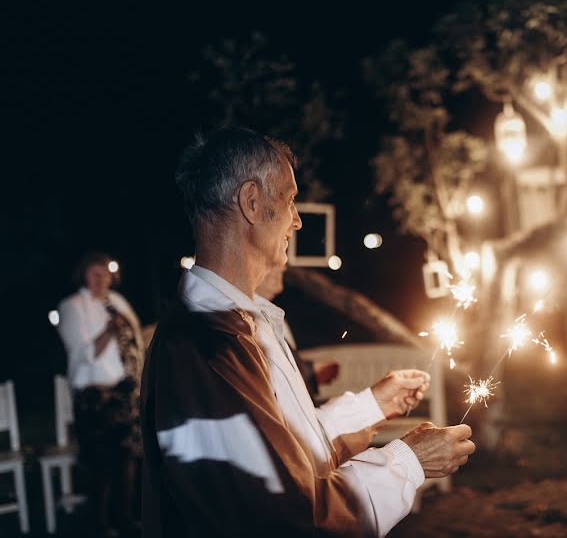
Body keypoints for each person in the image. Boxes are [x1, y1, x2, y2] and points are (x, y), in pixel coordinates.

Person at [141, 127, 475, 537]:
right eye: (290, 201)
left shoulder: (244, 323)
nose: (297, 221)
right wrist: (407, 463)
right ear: (251, 202)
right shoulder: (204, 343)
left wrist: (373, 404)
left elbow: (289, 448)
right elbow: (283, 512)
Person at [57, 251, 144, 536]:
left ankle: (125, 516)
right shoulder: (72, 306)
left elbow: (134, 340)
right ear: (83, 274)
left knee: (128, 457)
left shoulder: (117, 303)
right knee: (102, 462)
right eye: (95, 273)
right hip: (94, 395)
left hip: (125, 393)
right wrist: (109, 330)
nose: (102, 279)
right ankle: (99, 522)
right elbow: (82, 354)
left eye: (105, 273)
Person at [256, 263, 339, 398]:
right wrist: (311, 372)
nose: (279, 287)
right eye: (276, 275)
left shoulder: (273, 316)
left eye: (282, 276)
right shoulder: (250, 321)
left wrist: (312, 369)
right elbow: (275, 379)